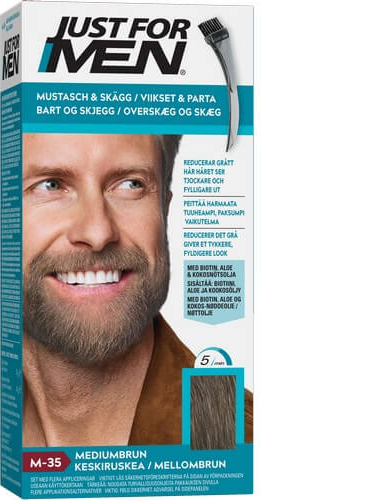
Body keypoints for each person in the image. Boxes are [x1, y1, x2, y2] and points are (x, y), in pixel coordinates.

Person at [22, 133, 252, 447]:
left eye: (131, 185)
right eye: (50, 185)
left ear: (165, 209)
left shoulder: (242, 444)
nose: (98, 233)